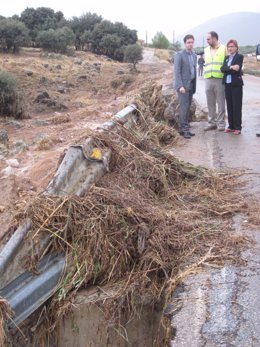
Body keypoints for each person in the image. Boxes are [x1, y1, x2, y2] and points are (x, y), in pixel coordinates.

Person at [174, 34, 197, 139]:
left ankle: (184, 128)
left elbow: (193, 70)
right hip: (183, 86)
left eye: (192, 42)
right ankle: (184, 130)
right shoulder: (179, 55)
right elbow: (177, 72)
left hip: (191, 84)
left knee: (187, 108)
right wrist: (180, 86)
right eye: (188, 42)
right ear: (185, 43)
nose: (190, 44)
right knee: (184, 108)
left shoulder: (194, 55)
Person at [203, 31, 226, 131]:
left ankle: (221, 124)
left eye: (208, 39)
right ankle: (211, 123)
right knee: (210, 102)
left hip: (220, 78)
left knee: (220, 102)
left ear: (215, 38)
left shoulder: (224, 48)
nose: (207, 40)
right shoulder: (206, 50)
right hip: (208, 78)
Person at [221, 39, 244, 135]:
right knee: (229, 105)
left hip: (236, 85)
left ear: (236, 48)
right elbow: (222, 69)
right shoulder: (226, 58)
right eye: (229, 46)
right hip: (227, 84)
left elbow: (237, 69)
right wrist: (230, 67)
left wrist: (229, 68)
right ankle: (231, 126)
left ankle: (238, 127)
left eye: (232, 46)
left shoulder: (239, 57)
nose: (230, 48)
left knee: (236, 106)